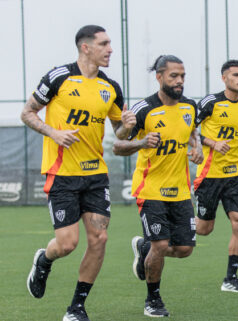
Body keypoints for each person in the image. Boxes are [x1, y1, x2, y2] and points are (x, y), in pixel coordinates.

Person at [21, 25, 135, 321]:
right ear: (86, 47)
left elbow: (119, 133)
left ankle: (76, 307)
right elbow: (27, 112)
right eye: (104, 44)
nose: (111, 49)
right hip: (62, 175)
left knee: (100, 239)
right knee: (68, 244)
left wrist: (127, 124)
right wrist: (53, 133)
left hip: (96, 175)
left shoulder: (110, 87)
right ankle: (44, 260)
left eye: (110, 43)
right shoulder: (59, 77)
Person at [113, 55, 203, 317]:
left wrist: (195, 148)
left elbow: (192, 132)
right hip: (150, 188)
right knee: (161, 245)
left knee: (185, 249)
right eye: (174, 76)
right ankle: (153, 300)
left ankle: (144, 248)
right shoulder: (144, 109)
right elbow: (119, 145)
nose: (179, 81)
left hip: (181, 190)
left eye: (183, 76)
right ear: (160, 77)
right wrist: (140, 143)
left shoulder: (190, 107)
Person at [194, 60, 238, 293]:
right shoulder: (210, 102)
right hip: (209, 174)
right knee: (204, 229)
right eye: (236, 75)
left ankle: (230, 279)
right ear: (224, 78)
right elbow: (187, 128)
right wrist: (211, 142)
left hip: (235, 174)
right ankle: (154, 241)